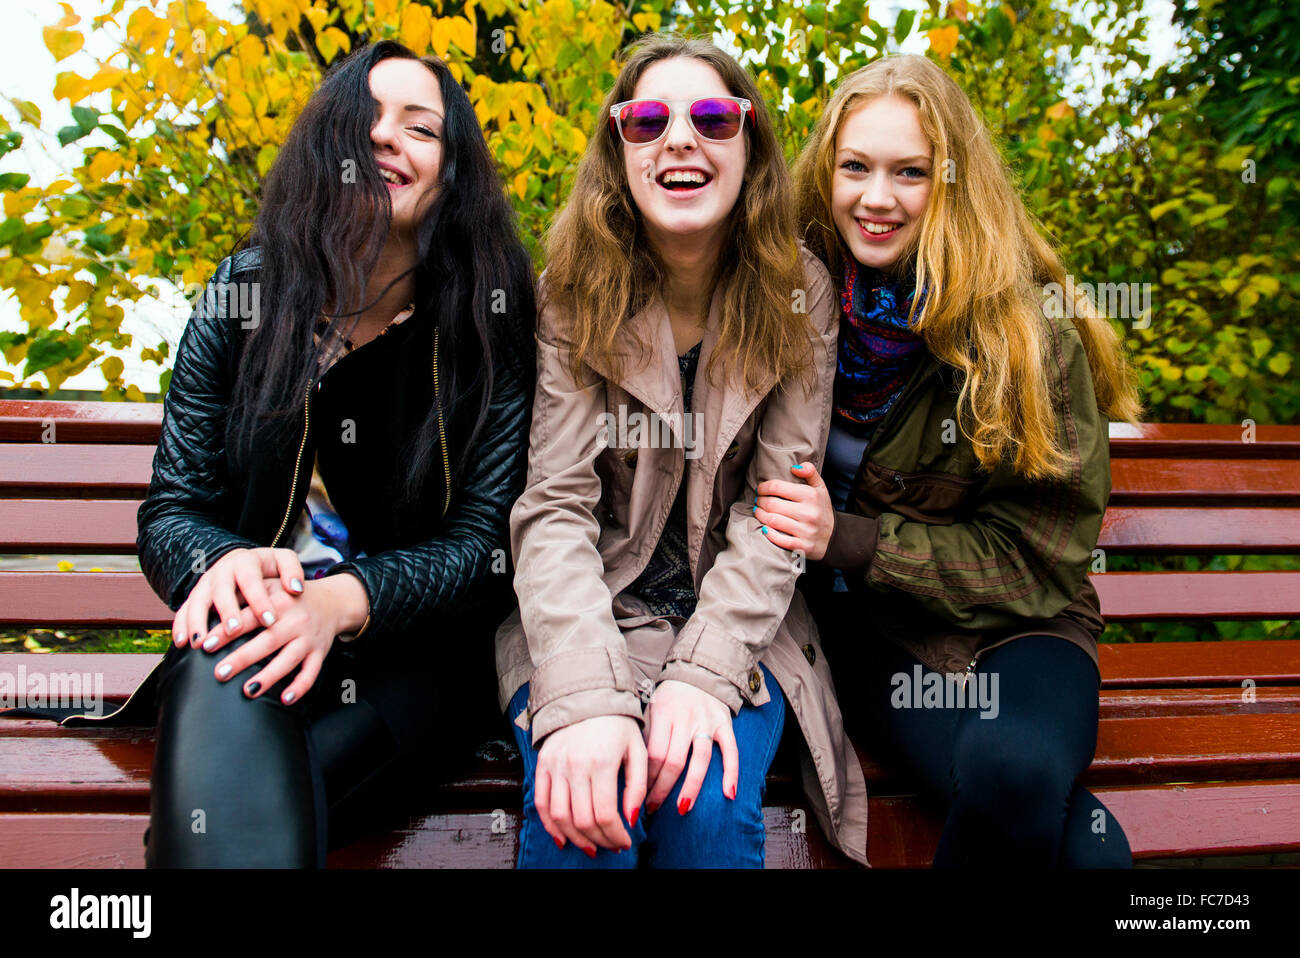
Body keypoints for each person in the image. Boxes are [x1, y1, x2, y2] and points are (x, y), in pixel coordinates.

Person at [106, 40, 532, 867]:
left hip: (419, 655)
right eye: (364, 120)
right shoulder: (241, 298)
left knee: (224, 826)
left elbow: (486, 544)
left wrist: (340, 604)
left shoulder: (487, 324)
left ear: (452, 175)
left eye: (420, 128)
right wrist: (218, 562)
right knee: (229, 793)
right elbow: (170, 511)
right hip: (249, 627)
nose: (385, 140)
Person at [756, 53, 1141, 867]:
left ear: (954, 182)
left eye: (911, 172)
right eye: (855, 167)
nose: (876, 197)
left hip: (1021, 627)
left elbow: (1039, 559)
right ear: (827, 171)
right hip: (873, 636)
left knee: (1016, 769)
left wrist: (856, 541)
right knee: (1091, 856)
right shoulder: (787, 299)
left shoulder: (1024, 339)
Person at [494, 33, 868, 868]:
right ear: (618, 151)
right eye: (648, 121)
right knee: (583, 812)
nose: (680, 140)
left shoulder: (797, 292)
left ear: (750, 147)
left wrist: (703, 677)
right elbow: (555, 509)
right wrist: (590, 697)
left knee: (703, 806)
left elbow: (778, 512)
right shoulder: (574, 289)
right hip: (589, 611)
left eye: (711, 117)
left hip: (743, 623)